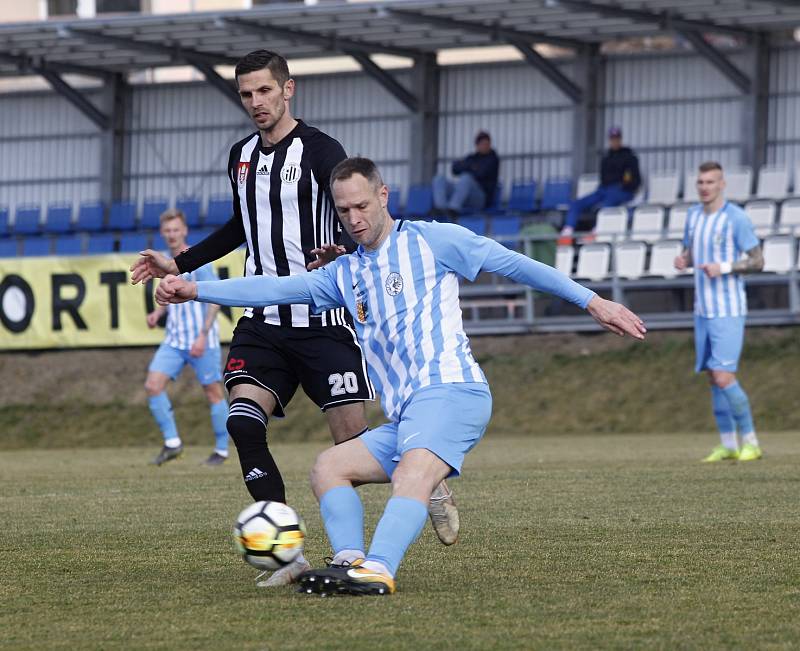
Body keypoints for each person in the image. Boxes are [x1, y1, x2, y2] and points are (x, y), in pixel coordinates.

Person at [155, 156, 647, 596]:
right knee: (328, 468)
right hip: (408, 412)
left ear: (383, 195)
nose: (355, 218)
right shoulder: (343, 274)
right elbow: (275, 288)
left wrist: (593, 301)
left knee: (412, 471)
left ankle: (380, 568)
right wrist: (194, 289)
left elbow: (514, 264)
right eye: (344, 211)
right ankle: (348, 561)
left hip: (453, 392)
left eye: (363, 206)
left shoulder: (434, 239)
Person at [130, 50, 457, 586]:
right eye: (246, 94)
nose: (256, 103)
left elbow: (355, 206)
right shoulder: (240, 157)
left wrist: (341, 254)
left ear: (288, 89)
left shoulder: (322, 150)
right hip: (262, 322)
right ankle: (291, 555)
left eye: (264, 91)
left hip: (324, 320)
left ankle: (425, 475)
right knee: (241, 420)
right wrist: (182, 262)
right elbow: (242, 224)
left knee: (350, 450)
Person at [674, 161, 764, 463]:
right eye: (700, 182)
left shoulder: (735, 218)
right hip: (702, 309)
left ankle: (751, 441)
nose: (704, 187)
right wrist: (683, 259)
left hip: (728, 308)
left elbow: (757, 261)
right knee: (713, 377)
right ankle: (728, 444)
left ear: (722, 184)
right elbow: (690, 252)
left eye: (710, 182)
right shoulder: (692, 216)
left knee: (725, 376)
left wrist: (724, 267)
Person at [145, 209, 229, 467]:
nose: (172, 235)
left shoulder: (198, 260)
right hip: (174, 340)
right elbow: (173, 294)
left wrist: (202, 336)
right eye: (167, 230)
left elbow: (213, 298)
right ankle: (173, 443)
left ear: (184, 231)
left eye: (176, 230)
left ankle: (222, 450)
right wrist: (158, 312)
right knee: (152, 386)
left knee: (213, 393)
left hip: (200, 340)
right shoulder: (164, 262)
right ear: (163, 233)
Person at [558, 127, 640, 244]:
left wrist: (626, 187)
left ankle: (596, 231)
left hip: (622, 190)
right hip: (604, 189)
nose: (614, 141)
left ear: (620, 139)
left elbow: (635, 179)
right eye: (612, 139)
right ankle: (567, 232)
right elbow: (603, 178)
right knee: (576, 203)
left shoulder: (630, 157)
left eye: (616, 139)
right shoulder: (606, 158)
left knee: (606, 204)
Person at [432, 131, 499, 215]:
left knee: (466, 178)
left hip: (481, 198)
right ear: (477, 145)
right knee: (439, 179)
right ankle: (441, 209)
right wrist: (472, 167)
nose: (485, 146)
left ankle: (453, 209)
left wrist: (468, 167)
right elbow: (455, 169)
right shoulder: (472, 157)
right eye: (482, 144)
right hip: (464, 196)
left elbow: (481, 173)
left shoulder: (493, 159)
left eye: (487, 144)